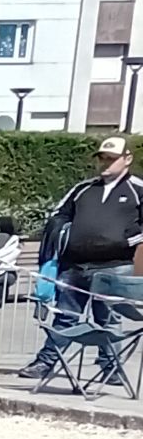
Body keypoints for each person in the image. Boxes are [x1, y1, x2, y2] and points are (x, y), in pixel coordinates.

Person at [27, 135, 143, 377]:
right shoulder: (82, 189)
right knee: (65, 317)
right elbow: (58, 215)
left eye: (111, 159)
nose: (105, 163)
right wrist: (63, 235)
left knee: (108, 320)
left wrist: (126, 240)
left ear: (127, 159)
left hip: (114, 268)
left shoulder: (137, 190)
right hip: (74, 267)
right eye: (102, 158)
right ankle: (45, 363)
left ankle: (111, 369)